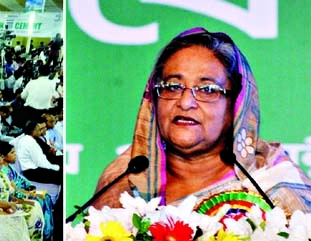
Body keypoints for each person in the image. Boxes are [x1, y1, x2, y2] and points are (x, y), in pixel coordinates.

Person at [95, 28, 311, 212]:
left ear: (235, 106)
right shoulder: (122, 180)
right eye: (172, 86)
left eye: (208, 89)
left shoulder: (273, 187)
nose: (186, 102)